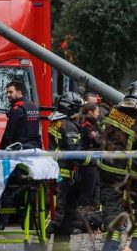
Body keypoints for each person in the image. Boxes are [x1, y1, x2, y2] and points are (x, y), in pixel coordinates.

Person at [100, 81, 137, 251]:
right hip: (129, 174)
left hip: (107, 170)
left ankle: (111, 246)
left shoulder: (112, 113)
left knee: (111, 207)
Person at [46, 92, 83, 237]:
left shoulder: (56, 121)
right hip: (64, 172)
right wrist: (91, 158)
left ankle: (60, 242)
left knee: (65, 212)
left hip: (56, 169)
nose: (79, 112)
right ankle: (38, 241)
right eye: (77, 108)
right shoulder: (69, 126)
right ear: (71, 108)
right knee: (58, 214)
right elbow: (74, 150)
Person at [77, 101, 103, 227]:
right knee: (87, 193)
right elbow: (99, 139)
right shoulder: (87, 126)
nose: (99, 114)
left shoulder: (94, 124)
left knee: (94, 191)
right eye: (97, 111)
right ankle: (82, 221)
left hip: (94, 163)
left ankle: (92, 218)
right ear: (90, 112)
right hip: (87, 165)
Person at [0, 81, 41, 149]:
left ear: (19, 92)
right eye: (7, 92)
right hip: (35, 147)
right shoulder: (34, 106)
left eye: (11, 92)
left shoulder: (17, 108)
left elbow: (9, 132)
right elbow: (39, 130)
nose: (8, 95)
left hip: (21, 147)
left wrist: (2, 147)